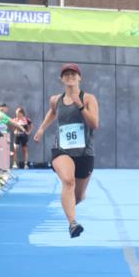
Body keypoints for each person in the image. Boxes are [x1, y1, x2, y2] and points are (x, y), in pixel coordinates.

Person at [33, 63, 99, 238]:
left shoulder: (88, 99)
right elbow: (52, 112)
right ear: (62, 79)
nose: (70, 77)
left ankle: (69, 204)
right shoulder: (56, 99)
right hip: (62, 149)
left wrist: (80, 106)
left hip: (85, 153)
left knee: (78, 196)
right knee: (68, 181)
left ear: (79, 78)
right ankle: (72, 224)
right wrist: (41, 129)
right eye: (66, 74)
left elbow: (94, 124)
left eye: (73, 74)